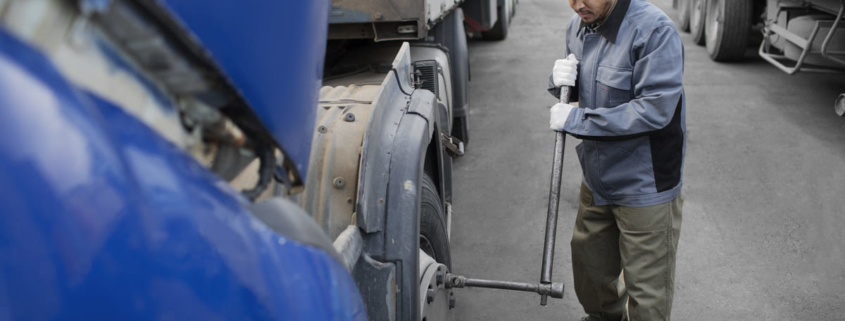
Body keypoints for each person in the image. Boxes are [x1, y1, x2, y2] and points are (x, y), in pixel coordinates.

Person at [547, 0, 685, 320]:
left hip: (645, 184)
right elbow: (583, 92)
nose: (577, 4)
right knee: (591, 274)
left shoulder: (654, 31)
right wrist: (559, 82)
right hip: (597, 177)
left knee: (648, 295)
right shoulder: (578, 26)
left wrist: (576, 121)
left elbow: (654, 110)